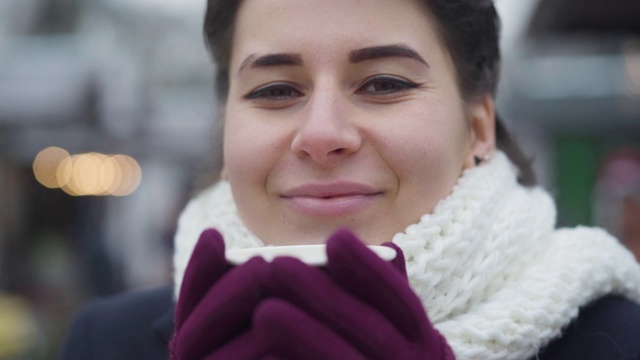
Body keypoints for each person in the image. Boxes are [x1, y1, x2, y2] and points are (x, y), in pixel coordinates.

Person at [60, 0, 640, 359]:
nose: (321, 134)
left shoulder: (620, 340)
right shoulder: (108, 342)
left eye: (384, 83)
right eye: (275, 90)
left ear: (478, 127)